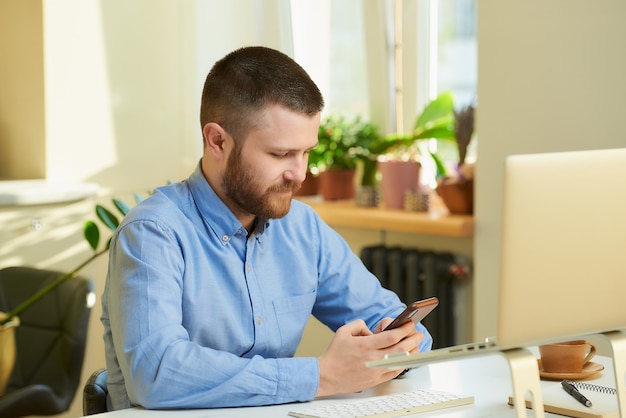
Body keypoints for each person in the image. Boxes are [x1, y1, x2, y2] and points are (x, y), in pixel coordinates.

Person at [101, 45, 433, 411]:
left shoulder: (302, 228)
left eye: (307, 152)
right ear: (218, 141)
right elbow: (156, 373)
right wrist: (322, 376)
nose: (300, 174)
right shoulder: (153, 233)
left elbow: (404, 326)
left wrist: (395, 344)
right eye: (280, 155)